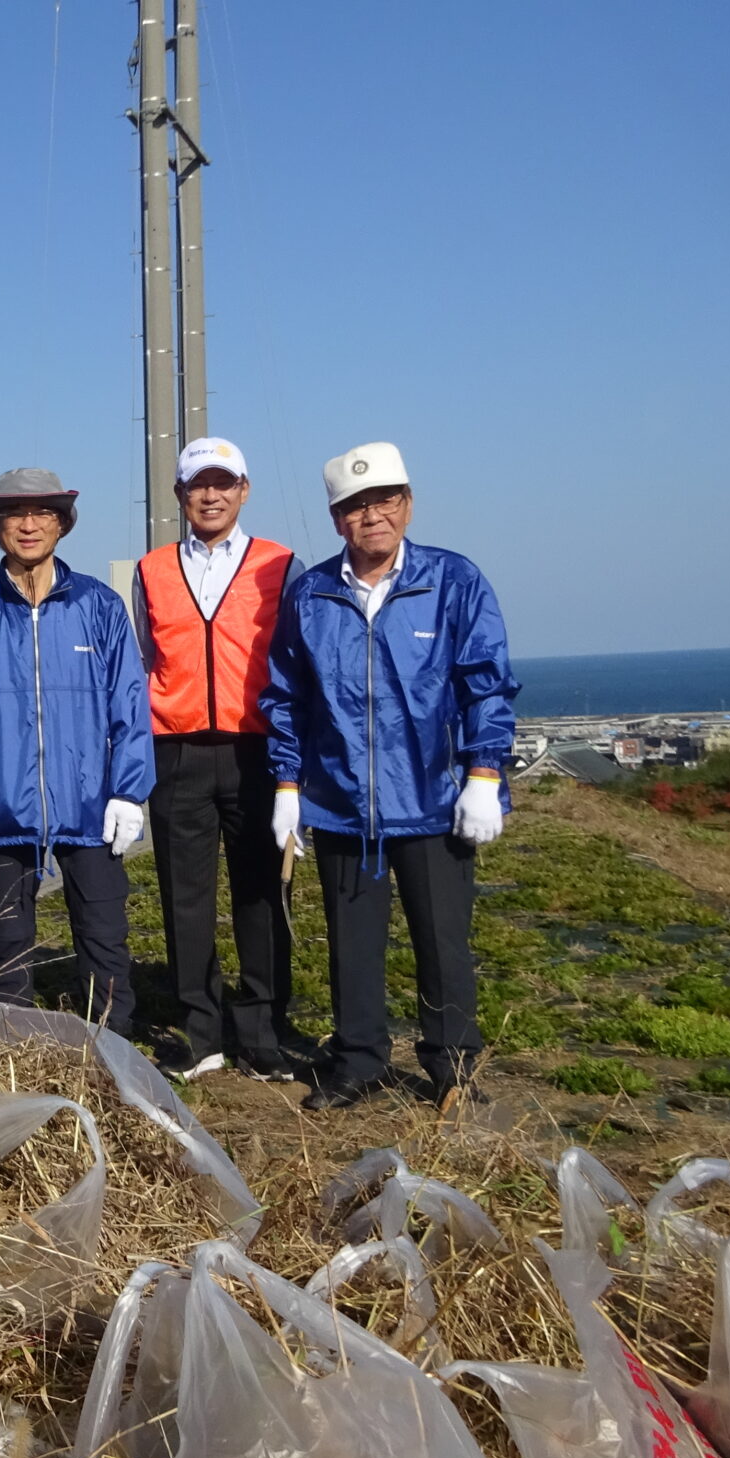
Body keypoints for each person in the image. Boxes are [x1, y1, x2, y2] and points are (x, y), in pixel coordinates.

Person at [263, 442, 518, 1110]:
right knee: (352, 946)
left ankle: (452, 1065)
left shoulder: (452, 582)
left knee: (443, 944)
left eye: (385, 500)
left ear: (407, 504)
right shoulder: (311, 594)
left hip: (434, 801)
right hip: (343, 803)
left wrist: (484, 774)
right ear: (336, 518)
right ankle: (359, 1061)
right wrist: (289, 786)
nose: (371, 516)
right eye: (355, 506)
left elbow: (485, 686)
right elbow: (287, 695)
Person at [0, 468, 154, 1033]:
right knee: (7, 943)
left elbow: (129, 702)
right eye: (13, 514)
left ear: (62, 524)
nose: (28, 526)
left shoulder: (99, 606)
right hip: (1, 807)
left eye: (42, 514)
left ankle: (113, 1054)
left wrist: (128, 791)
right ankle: (16, 1060)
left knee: (104, 939)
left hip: (88, 806)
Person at [131, 437, 298, 1081]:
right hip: (176, 750)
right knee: (185, 896)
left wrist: (293, 771)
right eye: (198, 484)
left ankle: (261, 1029)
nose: (210, 495)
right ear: (179, 495)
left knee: (260, 889)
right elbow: (142, 659)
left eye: (223, 483)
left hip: (256, 749)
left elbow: (296, 665)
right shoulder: (152, 569)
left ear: (243, 491)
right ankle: (200, 1029)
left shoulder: (278, 565)